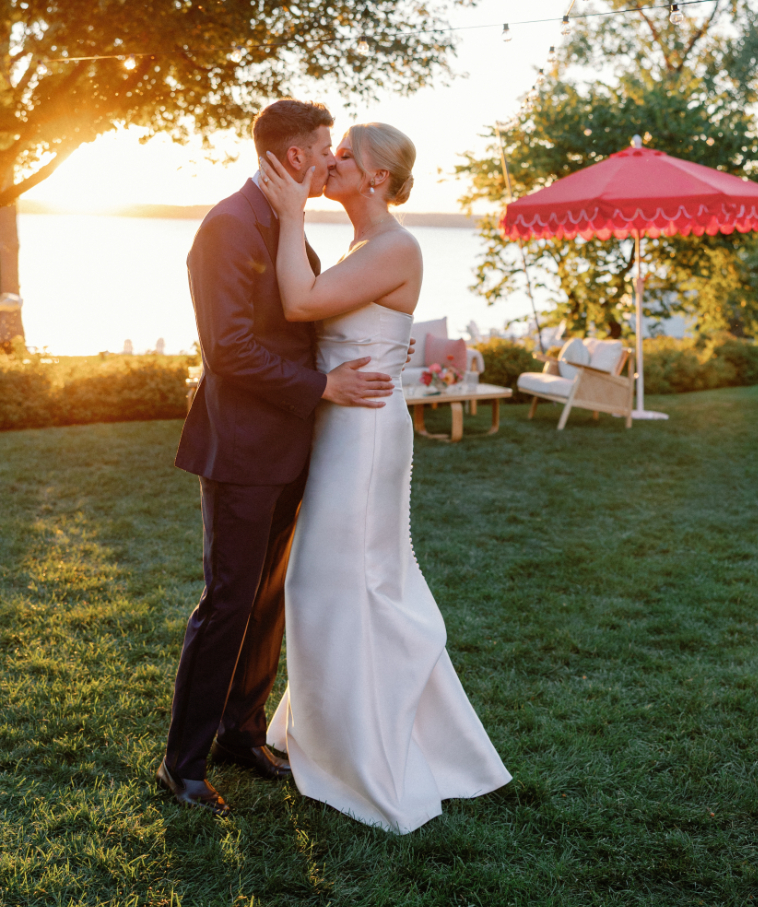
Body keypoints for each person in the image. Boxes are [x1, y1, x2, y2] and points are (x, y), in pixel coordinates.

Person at [260, 121, 511, 833]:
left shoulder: (397, 244)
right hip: (341, 426)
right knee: (343, 581)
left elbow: (301, 304)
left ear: (376, 178)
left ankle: (366, 750)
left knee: (339, 581)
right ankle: (338, 731)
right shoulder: (362, 244)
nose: (331, 163)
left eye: (345, 157)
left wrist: (286, 214)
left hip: (365, 435)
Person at [157, 99, 399, 817]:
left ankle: (241, 732)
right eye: (326, 147)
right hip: (240, 449)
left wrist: (374, 347)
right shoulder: (229, 227)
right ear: (296, 157)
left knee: (265, 601)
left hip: (290, 447)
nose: (331, 158)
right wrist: (325, 384)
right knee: (229, 602)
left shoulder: (283, 224)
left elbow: (302, 322)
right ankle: (183, 766)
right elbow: (228, 350)